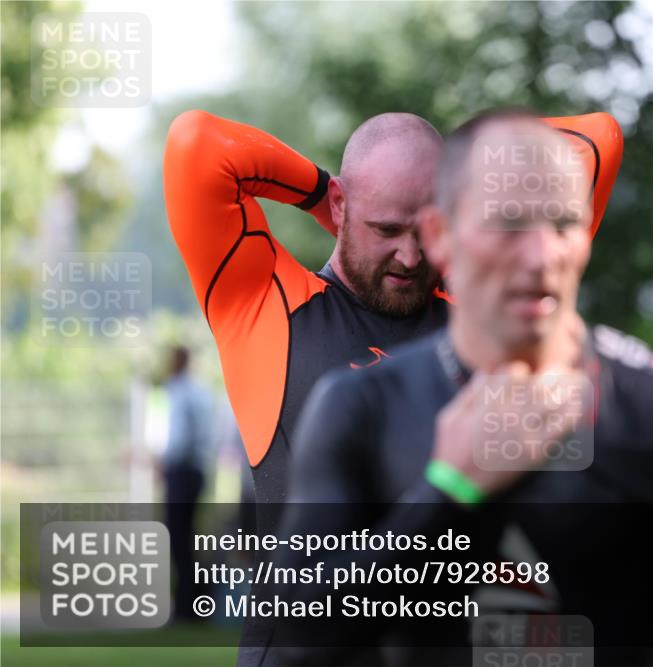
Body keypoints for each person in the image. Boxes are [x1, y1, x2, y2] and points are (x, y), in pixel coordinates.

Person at [277, 111, 653, 666]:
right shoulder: (360, 407)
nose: (541, 256)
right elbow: (300, 640)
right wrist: (448, 494)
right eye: (507, 223)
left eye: (562, 223)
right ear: (440, 236)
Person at [163, 109, 623, 504]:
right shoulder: (269, 309)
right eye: (386, 230)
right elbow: (197, 142)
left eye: (426, 232)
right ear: (342, 204)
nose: (410, 257)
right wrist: (321, 197)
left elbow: (598, 139)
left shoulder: (479, 309)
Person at [160, 345, 215, 622]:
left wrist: (162, 462)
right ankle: (194, 601)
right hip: (199, 471)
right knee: (189, 537)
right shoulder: (201, 391)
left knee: (179, 539)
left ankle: (186, 606)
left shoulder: (178, 392)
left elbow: (178, 439)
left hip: (181, 471)